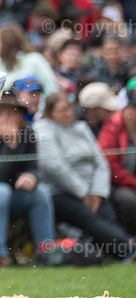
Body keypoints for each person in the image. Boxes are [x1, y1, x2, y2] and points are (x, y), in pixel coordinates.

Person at [35, 92, 134, 261]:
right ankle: (127, 246)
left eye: (70, 108)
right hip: (61, 192)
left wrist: (96, 192)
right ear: (51, 113)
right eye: (63, 110)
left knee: (107, 213)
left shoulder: (80, 127)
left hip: (93, 190)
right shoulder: (43, 129)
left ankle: (112, 252)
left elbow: (100, 163)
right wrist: (83, 193)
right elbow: (54, 166)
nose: (69, 113)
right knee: (88, 217)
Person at [0, 94, 56, 269]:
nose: (7, 118)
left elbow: (33, 166)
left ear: (19, 117)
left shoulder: (27, 133)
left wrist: (31, 176)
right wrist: (9, 146)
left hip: (14, 195)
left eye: (12, 113)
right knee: (1, 191)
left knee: (41, 192)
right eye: (1, 114)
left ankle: (45, 251)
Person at [96, 88, 136, 235]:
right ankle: (127, 238)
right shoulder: (112, 127)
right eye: (134, 108)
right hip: (116, 185)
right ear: (125, 109)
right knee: (129, 200)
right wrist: (132, 182)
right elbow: (110, 166)